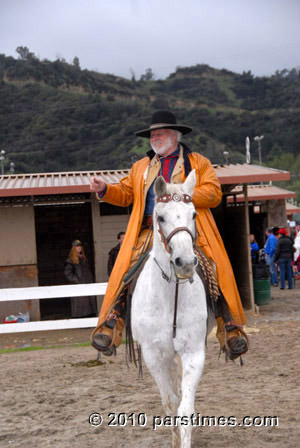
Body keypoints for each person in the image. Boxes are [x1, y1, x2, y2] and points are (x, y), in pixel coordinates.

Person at [90, 110, 248, 361]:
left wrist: (181, 197)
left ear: (176, 135)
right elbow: (125, 193)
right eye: (152, 135)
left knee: (213, 268)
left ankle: (229, 329)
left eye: (160, 133)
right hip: (150, 230)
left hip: (187, 229)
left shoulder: (198, 163)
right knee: (125, 269)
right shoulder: (141, 167)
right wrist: (105, 190)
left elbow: (213, 193)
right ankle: (112, 324)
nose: (155, 138)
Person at [64, 240, 98, 317]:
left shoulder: (84, 259)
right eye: (77, 246)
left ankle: (90, 318)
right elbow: (68, 274)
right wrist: (77, 281)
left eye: (80, 246)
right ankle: (81, 319)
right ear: (73, 248)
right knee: (81, 304)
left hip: (88, 282)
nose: (79, 248)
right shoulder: (70, 261)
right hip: (79, 284)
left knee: (90, 302)